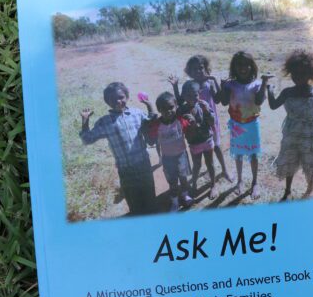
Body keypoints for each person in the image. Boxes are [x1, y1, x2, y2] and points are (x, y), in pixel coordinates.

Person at [267, 49, 313, 200]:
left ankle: (310, 188)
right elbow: (273, 105)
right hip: (292, 135)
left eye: (302, 74)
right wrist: (269, 90)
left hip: (310, 135)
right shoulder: (288, 92)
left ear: (310, 74)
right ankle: (287, 191)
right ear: (291, 73)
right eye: (295, 74)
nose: (297, 77)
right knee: (289, 160)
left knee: (310, 162)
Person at [79, 82, 156, 215]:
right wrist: (85, 121)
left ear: (127, 96)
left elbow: (151, 122)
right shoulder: (104, 122)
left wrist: (149, 105)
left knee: (150, 197)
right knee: (134, 202)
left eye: (121, 97)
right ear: (107, 102)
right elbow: (87, 139)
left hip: (144, 164)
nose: (118, 101)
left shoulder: (137, 114)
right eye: (113, 99)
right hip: (126, 169)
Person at [169, 54, 232, 183]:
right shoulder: (189, 85)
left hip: (211, 120)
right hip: (196, 123)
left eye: (201, 68)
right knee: (203, 146)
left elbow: (218, 100)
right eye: (194, 69)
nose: (198, 71)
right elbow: (180, 101)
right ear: (189, 71)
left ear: (206, 68)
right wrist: (175, 87)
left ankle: (224, 170)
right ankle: (208, 169)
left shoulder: (209, 83)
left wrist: (216, 81)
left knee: (217, 146)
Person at [218, 51, 270, 199]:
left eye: (246, 65)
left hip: (252, 125)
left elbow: (259, 101)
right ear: (234, 67)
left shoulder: (257, 84)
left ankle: (254, 182)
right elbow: (224, 102)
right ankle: (240, 181)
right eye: (239, 65)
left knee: (253, 155)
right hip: (236, 125)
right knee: (239, 154)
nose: (242, 68)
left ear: (252, 66)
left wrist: (264, 83)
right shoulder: (230, 84)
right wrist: (223, 86)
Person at [145, 92, 194, 211]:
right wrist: (146, 128)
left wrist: (192, 122)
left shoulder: (180, 120)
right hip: (168, 159)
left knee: (183, 179)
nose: (168, 111)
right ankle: (175, 202)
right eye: (164, 109)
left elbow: (190, 133)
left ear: (176, 106)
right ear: (159, 110)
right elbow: (150, 142)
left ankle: (185, 195)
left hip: (182, 155)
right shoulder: (157, 125)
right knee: (172, 182)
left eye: (171, 107)